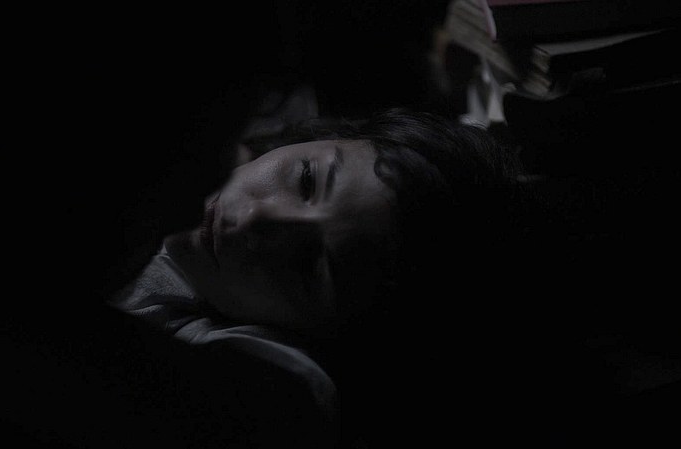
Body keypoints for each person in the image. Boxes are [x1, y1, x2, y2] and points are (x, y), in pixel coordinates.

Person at [109, 106, 533, 447]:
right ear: (316, 139)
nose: (256, 217)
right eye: (307, 179)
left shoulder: (264, 384)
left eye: (307, 266)